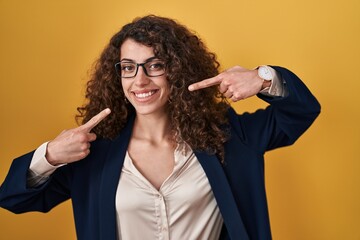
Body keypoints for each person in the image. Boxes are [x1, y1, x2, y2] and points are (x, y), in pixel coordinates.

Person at [0, 15, 320, 240]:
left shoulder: (230, 137)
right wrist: (51, 156)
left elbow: (301, 112)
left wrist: (263, 77)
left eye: (155, 65)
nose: (140, 80)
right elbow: (14, 199)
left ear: (178, 71)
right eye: (128, 67)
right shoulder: (93, 154)